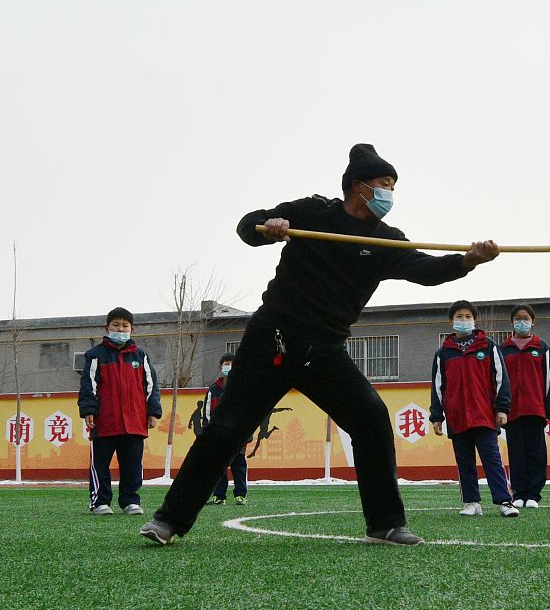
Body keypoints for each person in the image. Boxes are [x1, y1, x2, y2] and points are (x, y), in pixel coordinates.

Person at [140, 144, 499, 546]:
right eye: (384, 184)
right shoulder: (312, 213)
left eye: (394, 186)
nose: (390, 193)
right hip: (271, 341)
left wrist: (468, 261)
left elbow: (426, 270)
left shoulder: (386, 241)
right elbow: (246, 226)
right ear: (358, 186)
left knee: (371, 419)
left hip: (323, 352)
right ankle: (168, 521)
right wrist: (269, 226)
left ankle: (385, 524)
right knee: (226, 428)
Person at [430, 301, 519, 517]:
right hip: (457, 416)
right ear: (451, 321)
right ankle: (471, 502)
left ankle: (505, 502)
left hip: (484, 415)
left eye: (468, 316)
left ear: (474, 320)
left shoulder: (488, 346)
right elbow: (438, 387)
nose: (464, 320)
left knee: (492, 459)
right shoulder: (443, 353)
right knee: (464, 461)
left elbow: (501, 380)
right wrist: (437, 416)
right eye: (459, 317)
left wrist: (502, 408)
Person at [78, 307, 162, 516]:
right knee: (100, 465)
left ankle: (130, 501)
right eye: (116, 325)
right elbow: (89, 385)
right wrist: (89, 410)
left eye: (125, 325)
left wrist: (152, 412)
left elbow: (151, 386)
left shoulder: (140, 356)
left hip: (134, 422)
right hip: (104, 421)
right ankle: (100, 502)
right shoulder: (95, 355)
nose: (120, 329)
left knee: (132, 465)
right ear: (107, 328)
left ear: (132, 329)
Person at [498, 304, 550, 509]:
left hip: (535, 409)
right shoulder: (502, 350)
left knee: (536, 452)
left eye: (526, 318)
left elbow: (549, 380)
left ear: (533, 322)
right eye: (518, 318)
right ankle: (519, 493)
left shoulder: (542, 348)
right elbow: (497, 381)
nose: (522, 321)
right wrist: (500, 407)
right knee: (517, 453)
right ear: (512, 322)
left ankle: (533, 494)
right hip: (512, 411)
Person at [205, 354, 248, 506]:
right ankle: (219, 496)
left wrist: (246, 434)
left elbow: (248, 413)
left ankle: (240, 495)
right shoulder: (213, 390)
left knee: (239, 466)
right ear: (220, 367)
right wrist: (208, 434)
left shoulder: (243, 389)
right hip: (218, 435)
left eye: (232, 364)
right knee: (218, 467)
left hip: (237, 435)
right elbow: (207, 414)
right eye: (226, 364)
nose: (228, 367)